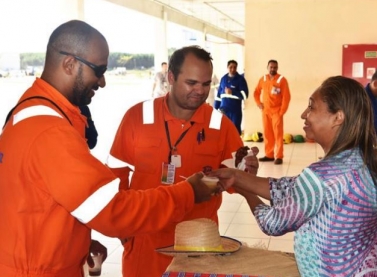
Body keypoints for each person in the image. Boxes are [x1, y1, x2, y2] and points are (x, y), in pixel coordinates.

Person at [0, 20, 214, 277]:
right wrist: (188, 191)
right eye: (98, 70)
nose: (102, 82)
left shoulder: (29, 111)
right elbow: (114, 210)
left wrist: (76, 241)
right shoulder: (50, 131)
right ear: (69, 64)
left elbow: (33, 201)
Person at [210, 76, 377, 276]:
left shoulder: (321, 176)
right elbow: (295, 188)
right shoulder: (361, 160)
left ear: (338, 117)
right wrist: (237, 176)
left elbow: (272, 223)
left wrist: (244, 190)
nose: (303, 114)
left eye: (311, 107)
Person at [107, 46, 244, 277]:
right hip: (145, 243)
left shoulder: (220, 125)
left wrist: (245, 169)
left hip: (198, 246)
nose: (200, 91)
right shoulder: (137, 117)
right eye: (191, 83)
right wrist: (122, 228)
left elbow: (236, 177)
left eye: (205, 83)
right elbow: (115, 173)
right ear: (170, 77)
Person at [254, 59, 291, 165]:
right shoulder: (263, 79)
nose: (273, 69)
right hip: (265, 111)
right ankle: (269, 155)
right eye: (271, 67)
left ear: (277, 68)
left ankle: (279, 156)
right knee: (267, 133)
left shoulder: (281, 80)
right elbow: (256, 93)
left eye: (275, 67)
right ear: (267, 67)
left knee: (278, 134)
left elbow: (286, 97)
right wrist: (258, 103)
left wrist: (281, 112)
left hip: (276, 112)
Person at [214, 60, 249, 135]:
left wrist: (233, 92)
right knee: (223, 131)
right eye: (231, 67)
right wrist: (215, 109)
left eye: (234, 67)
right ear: (227, 67)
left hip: (235, 111)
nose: (233, 69)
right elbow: (218, 96)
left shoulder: (240, 79)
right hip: (224, 110)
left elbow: (245, 95)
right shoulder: (223, 79)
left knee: (235, 131)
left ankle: (236, 146)